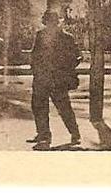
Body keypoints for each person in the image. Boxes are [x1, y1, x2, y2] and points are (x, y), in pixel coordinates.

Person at [28, 10, 82, 150]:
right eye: (48, 21)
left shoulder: (67, 38)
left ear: (56, 22)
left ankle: (74, 133)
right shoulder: (41, 36)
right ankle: (43, 134)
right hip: (43, 78)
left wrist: (66, 69)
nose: (50, 24)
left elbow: (77, 57)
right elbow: (35, 55)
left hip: (57, 79)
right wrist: (35, 69)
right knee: (40, 107)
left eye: (52, 21)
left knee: (64, 108)